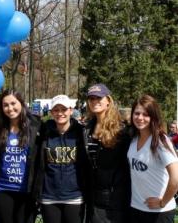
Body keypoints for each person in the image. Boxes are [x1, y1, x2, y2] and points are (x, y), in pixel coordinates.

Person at [34, 95, 87, 223]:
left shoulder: (81, 132)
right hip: (49, 196)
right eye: (56, 110)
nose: (60, 113)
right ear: (51, 112)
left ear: (70, 110)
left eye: (63, 109)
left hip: (74, 196)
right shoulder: (44, 131)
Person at [0, 89, 41, 223]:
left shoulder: (36, 127)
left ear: (21, 103)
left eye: (13, 103)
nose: (10, 108)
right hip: (3, 189)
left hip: (27, 191)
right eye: (5, 105)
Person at [83, 83, 131, 223]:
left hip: (113, 198)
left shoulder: (121, 130)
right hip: (92, 195)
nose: (94, 101)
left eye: (99, 98)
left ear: (108, 101)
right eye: (91, 98)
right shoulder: (87, 128)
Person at [128, 95, 178, 223]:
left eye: (146, 114)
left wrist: (162, 202)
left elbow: (176, 178)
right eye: (137, 113)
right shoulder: (133, 139)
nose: (140, 118)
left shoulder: (160, 141)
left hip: (159, 213)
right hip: (136, 208)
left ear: (153, 117)